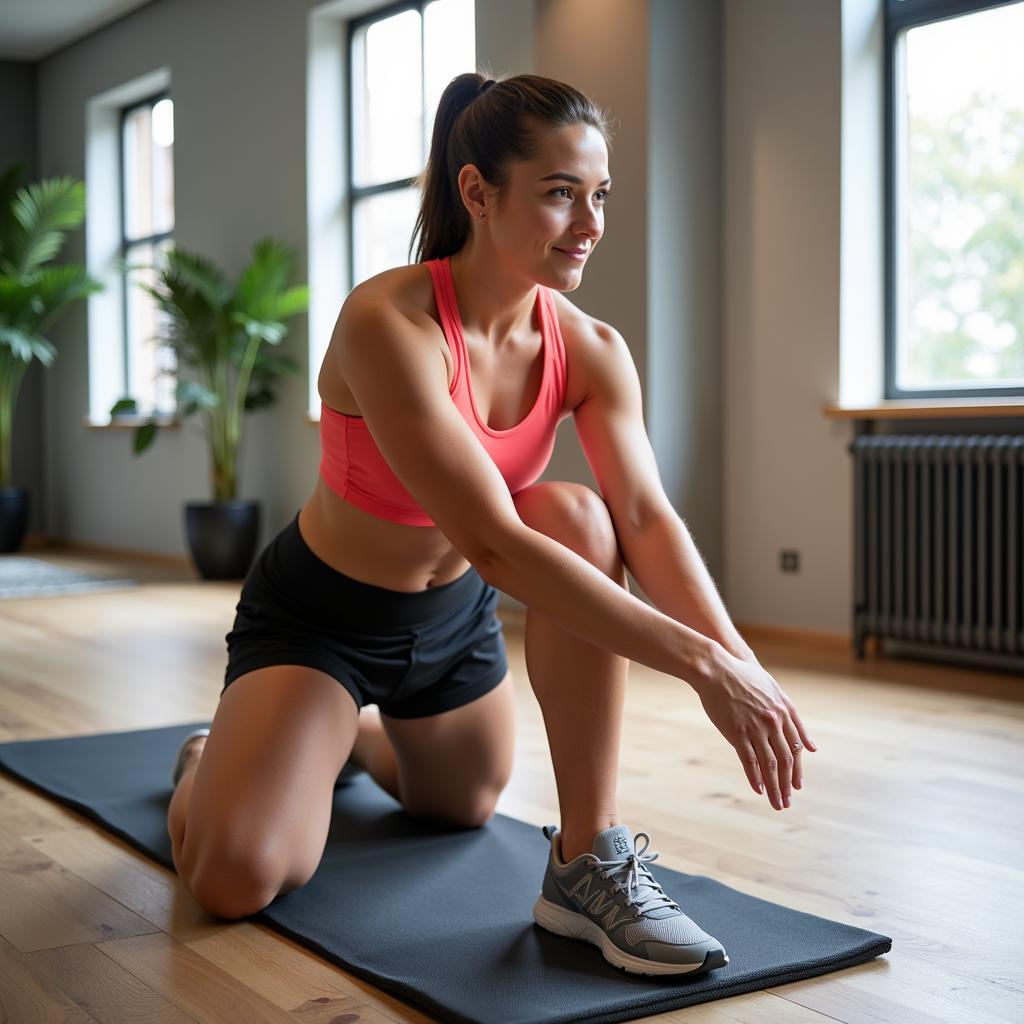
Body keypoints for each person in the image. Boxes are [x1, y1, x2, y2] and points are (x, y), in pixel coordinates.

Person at [166, 71, 817, 977]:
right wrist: (699, 666)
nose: (589, 223)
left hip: (452, 623)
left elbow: (644, 518)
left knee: (471, 783)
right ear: (478, 191)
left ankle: (581, 856)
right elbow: (495, 541)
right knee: (233, 877)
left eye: (599, 196)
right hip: (323, 621)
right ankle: (213, 753)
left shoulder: (589, 347)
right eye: (560, 195)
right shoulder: (387, 321)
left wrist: (738, 660)